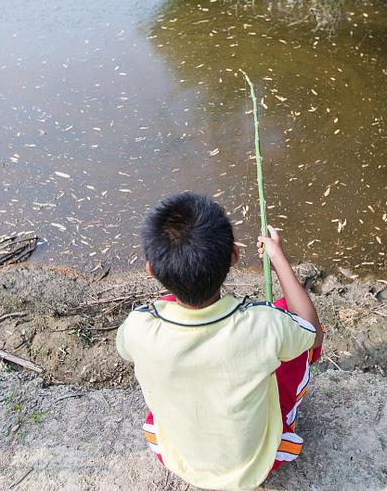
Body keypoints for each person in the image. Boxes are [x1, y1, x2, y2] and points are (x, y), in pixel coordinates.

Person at [116, 192, 324, 490]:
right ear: (234, 256)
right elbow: (312, 330)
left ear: (151, 269)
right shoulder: (263, 324)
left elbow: (124, 348)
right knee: (291, 322)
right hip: (254, 465)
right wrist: (279, 259)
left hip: (180, 459)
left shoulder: (138, 327)